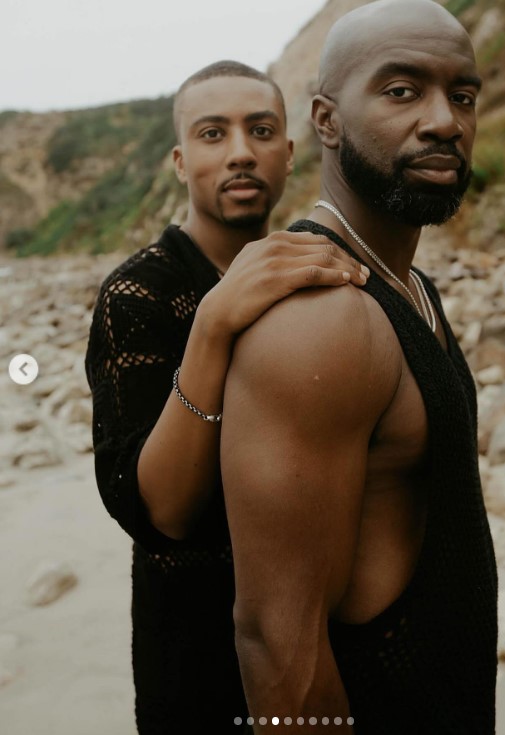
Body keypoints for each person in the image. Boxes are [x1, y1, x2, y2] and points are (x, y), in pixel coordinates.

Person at [220, 2, 498, 734]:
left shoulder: (409, 288)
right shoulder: (322, 320)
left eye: (462, 95)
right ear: (328, 120)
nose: (444, 121)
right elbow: (278, 644)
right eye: (402, 91)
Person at [85, 60, 369, 734]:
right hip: (196, 661)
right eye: (214, 134)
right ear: (181, 162)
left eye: (261, 130)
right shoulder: (138, 295)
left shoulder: (312, 268)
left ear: (289, 151)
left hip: (322, 643)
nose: (241, 152)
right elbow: (162, 511)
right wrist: (213, 322)